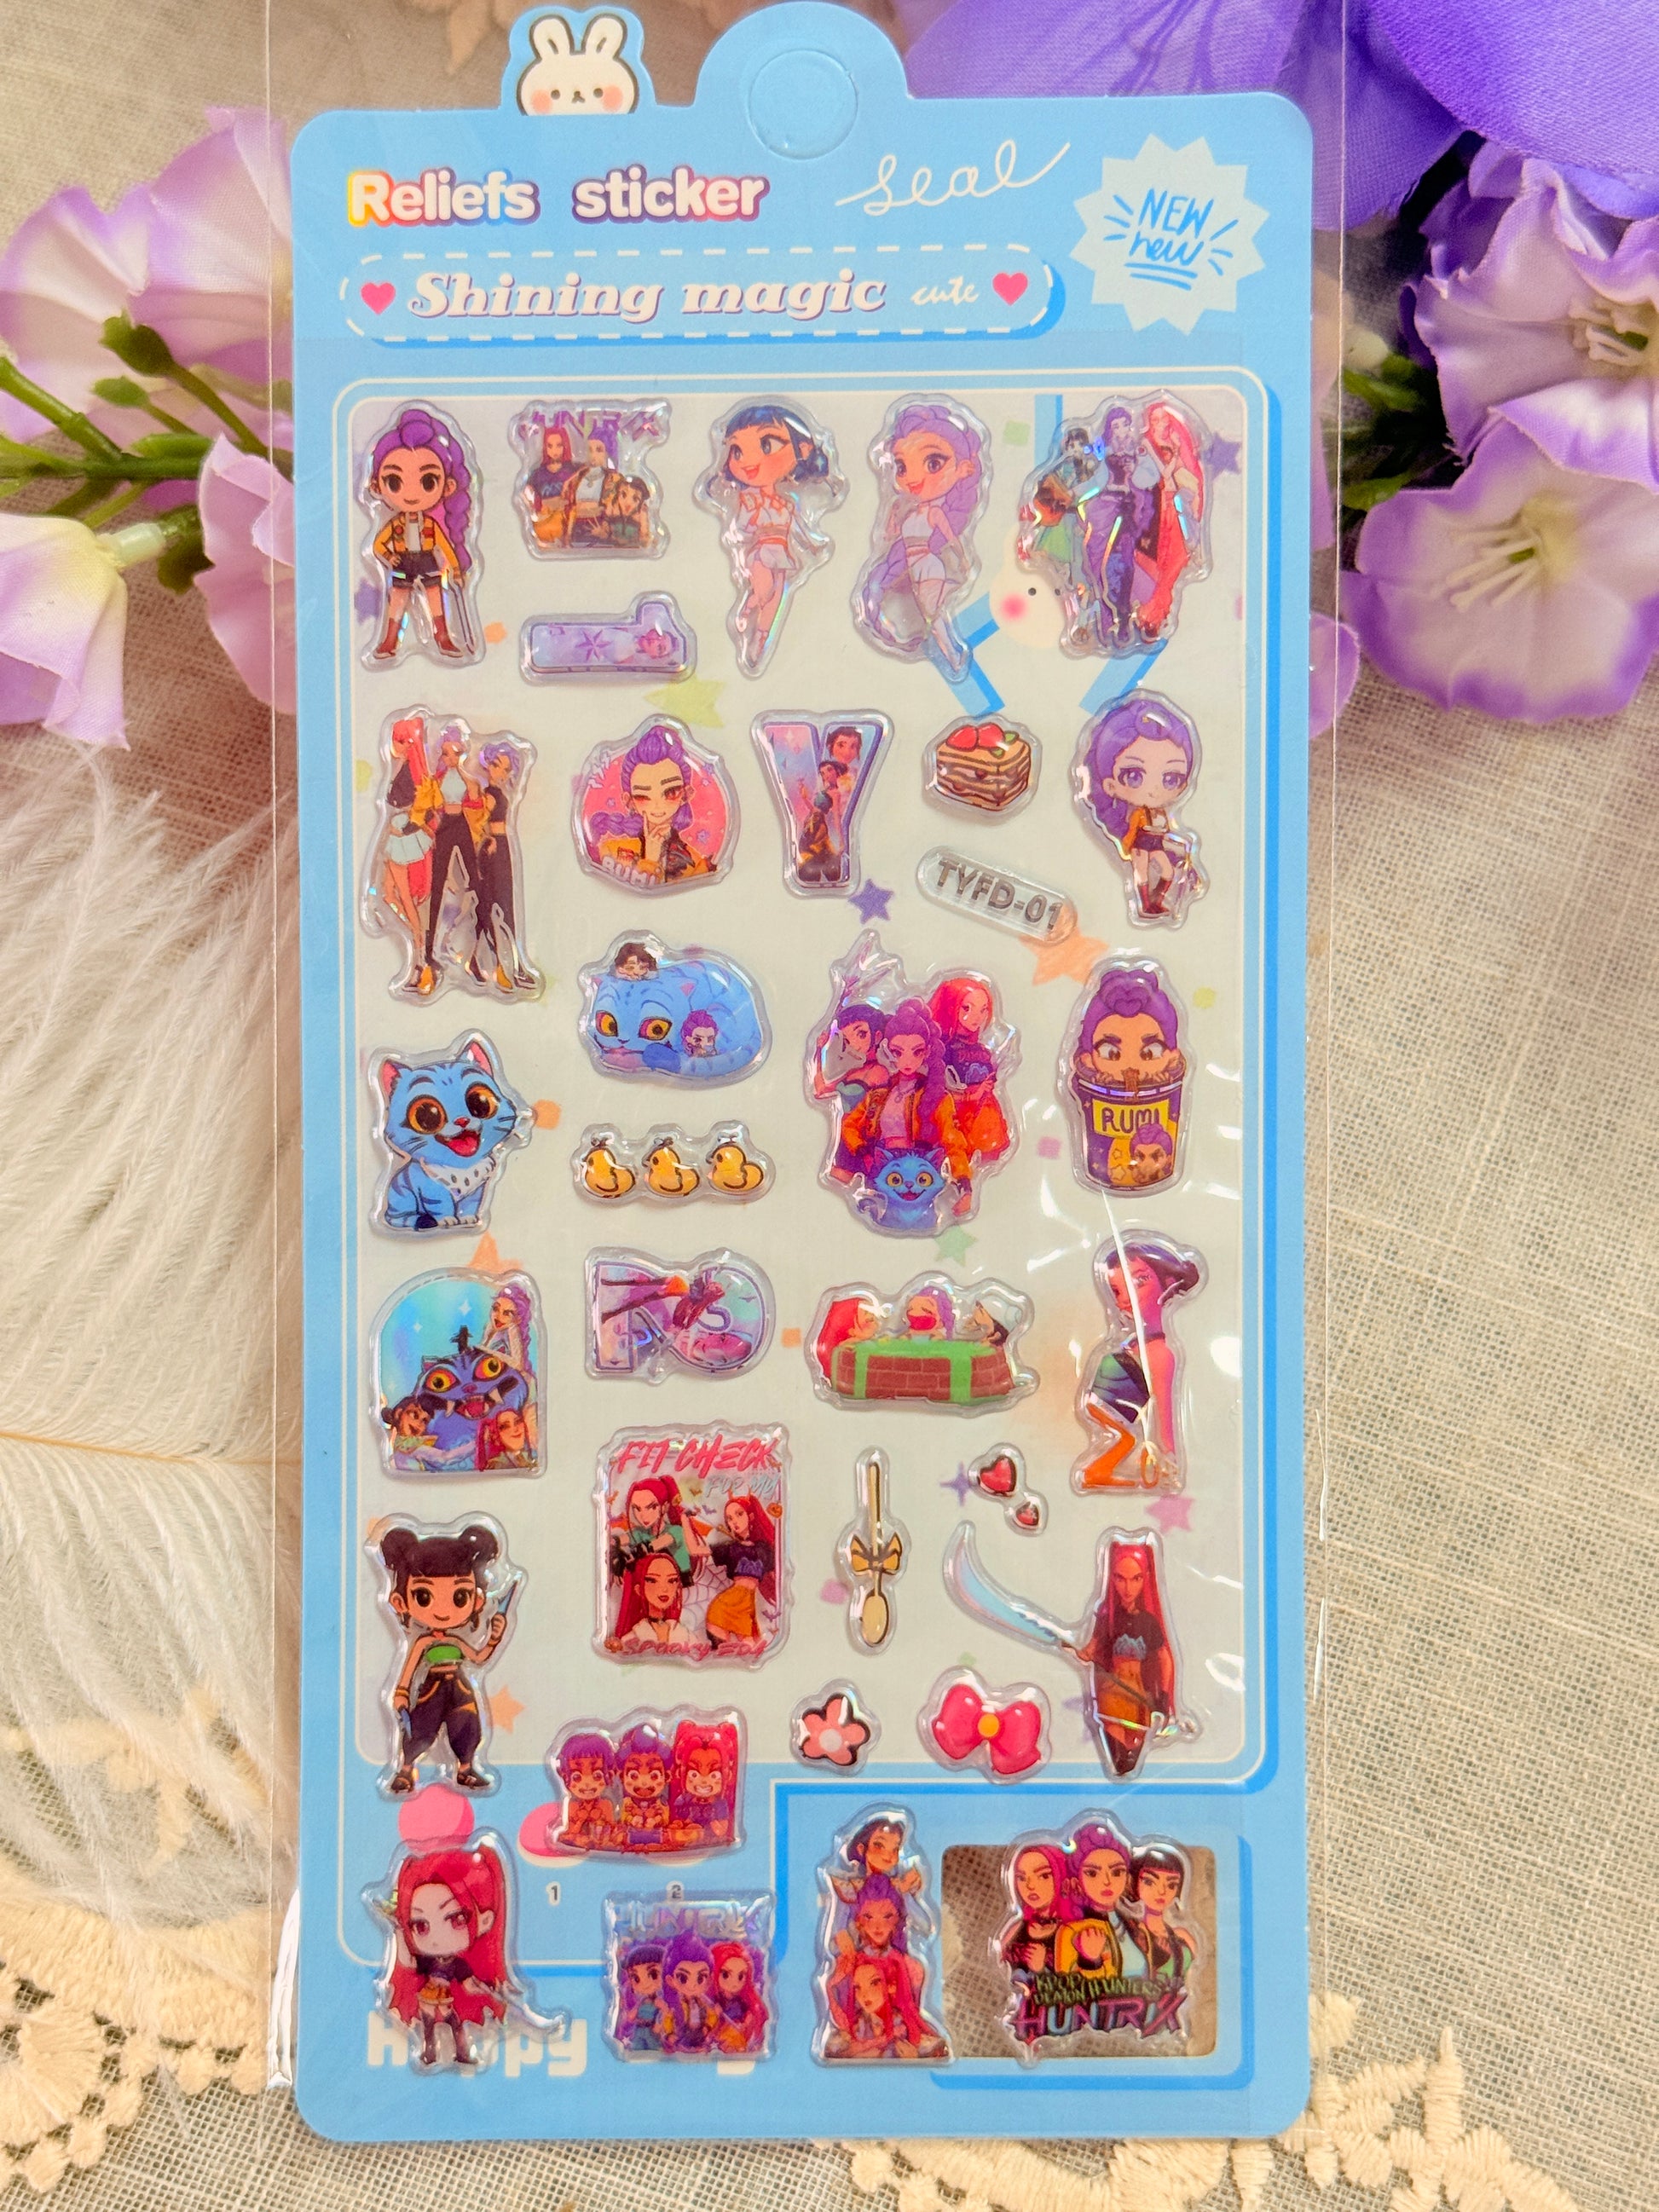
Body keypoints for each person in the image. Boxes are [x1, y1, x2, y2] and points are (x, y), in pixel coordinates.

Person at [706, 401, 839, 672]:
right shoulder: (748, 499)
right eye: (737, 451)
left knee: (776, 598)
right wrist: (753, 516)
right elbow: (743, 528)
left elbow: (798, 529)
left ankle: (760, 638)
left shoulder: (787, 503)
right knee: (764, 589)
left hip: (782, 552)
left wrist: (813, 545)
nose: (749, 461)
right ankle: (749, 606)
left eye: (767, 445)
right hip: (760, 552)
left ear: (803, 450)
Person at [379, 1523, 510, 1794]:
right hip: (432, 1691)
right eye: (423, 1596)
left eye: (459, 1596)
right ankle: (406, 1770)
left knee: (467, 1727)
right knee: (421, 1730)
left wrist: (494, 1638)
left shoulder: (457, 1642)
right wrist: (401, 1693)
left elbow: (479, 1657)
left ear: (476, 1600)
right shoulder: (423, 1642)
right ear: (401, 1602)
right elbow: (409, 1670)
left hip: (460, 1690)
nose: (442, 1610)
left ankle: (465, 1769)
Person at [858, 401, 986, 673]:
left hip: (928, 565)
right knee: (930, 612)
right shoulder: (908, 512)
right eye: (902, 467)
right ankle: (949, 647)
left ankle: (952, 656)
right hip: (915, 566)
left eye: (933, 463)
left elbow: (951, 539)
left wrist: (963, 561)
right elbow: (889, 538)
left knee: (932, 615)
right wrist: (893, 515)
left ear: (964, 468)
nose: (913, 479)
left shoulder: (935, 513)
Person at [1077, 1236, 1202, 1490]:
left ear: (1168, 1282)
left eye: (1139, 1281)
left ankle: (1096, 1472)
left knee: (1127, 1440)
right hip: (1107, 1405)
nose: (1125, 1299)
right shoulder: (1142, 1344)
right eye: (1117, 1290)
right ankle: (1097, 1472)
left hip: (1111, 1407)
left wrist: (1167, 1455)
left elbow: (1163, 1408)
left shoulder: (1160, 1353)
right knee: (1126, 1440)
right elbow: (1159, 1408)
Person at [380, 1843, 509, 2068]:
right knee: (430, 2026)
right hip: (429, 1996)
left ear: (485, 1921)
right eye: (420, 1925)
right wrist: (399, 1930)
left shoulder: (458, 1964)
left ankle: (460, 2053)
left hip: (445, 1998)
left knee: (454, 2024)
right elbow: (408, 1962)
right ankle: (430, 2053)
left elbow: (468, 1984)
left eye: (456, 1919)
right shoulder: (427, 1960)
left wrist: (487, 1990)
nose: (436, 1939)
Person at [366, 407, 473, 661]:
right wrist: (389, 557)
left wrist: (456, 569)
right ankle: (390, 640)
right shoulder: (395, 525)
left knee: (435, 597)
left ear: (447, 486)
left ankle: (443, 637)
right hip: (403, 561)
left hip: (426, 560)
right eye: (394, 482)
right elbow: (378, 545)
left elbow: (446, 548)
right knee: (397, 599)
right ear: (376, 485)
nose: (412, 494)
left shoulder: (431, 526)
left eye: (428, 482)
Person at [1070, 1542, 1177, 1777]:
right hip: (1112, 1693)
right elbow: (1092, 1648)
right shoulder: (1107, 1617)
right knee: (1121, 1757)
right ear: (1112, 1579)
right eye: (1121, 1578)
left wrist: (1163, 1697)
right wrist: (1082, 1652)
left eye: (1136, 1579)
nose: (1128, 1588)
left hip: (1138, 1695)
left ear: (1144, 1579)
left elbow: (1164, 1658)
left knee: (1132, 1754)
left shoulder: (1148, 1621)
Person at [588, 723, 718, 886]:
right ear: (629, 801)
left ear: (686, 794)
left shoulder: (696, 863)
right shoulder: (613, 850)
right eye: (643, 796)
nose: (657, 805)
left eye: (671, 792)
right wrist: (650, 858)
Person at [415, 726, 485, 996]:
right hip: (445, 826)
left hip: (462, 825)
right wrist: (430, 830)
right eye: (446, 753)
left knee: (476, 881)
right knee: (437, 886)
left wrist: (467, 777)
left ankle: (478, 947)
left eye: (455, 753)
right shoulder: (437, 780)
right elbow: (423, 809)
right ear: (441, 755)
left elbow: (476, 801)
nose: (451, 758)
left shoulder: (467, 779)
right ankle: (429, 951)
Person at [703, 1493, 776, 1651]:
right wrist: (685, 1520)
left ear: (751, 1516)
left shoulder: (763, 1549)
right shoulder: (731, 1548)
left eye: (739, 1514)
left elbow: (775, 1576)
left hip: (747, 1607)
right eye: (729, 1518)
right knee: (721, 1652)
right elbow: (697, 1550)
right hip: (725, 1605)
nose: (734, 1521)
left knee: (751, 1649)